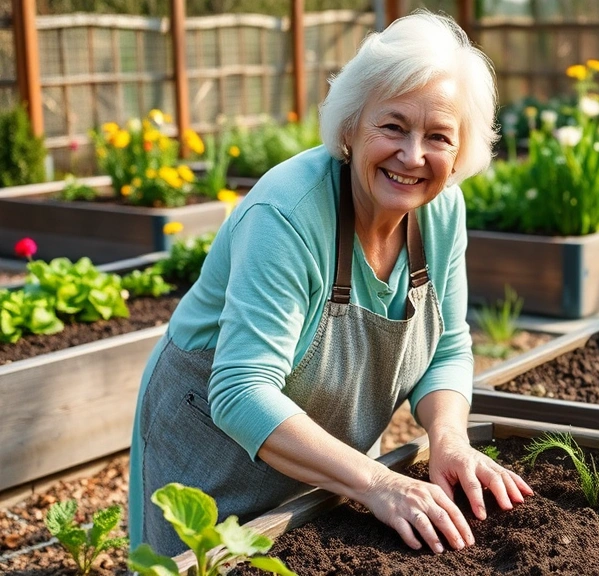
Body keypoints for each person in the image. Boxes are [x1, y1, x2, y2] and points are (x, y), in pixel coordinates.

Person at [128, 11, 532, 557]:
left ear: (461, 152)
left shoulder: (441, 211)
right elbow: (242, 391)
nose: (412, 156)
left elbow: (448, 349)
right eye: (392, 126)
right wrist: (381, 483)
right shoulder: (288, 213)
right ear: (350, 125)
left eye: (438, 136)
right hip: (210, 449)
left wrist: (450, 440)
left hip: (322, 466)